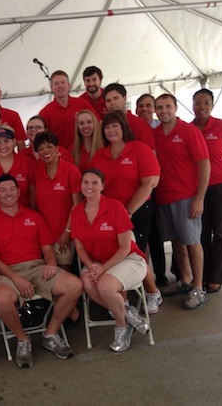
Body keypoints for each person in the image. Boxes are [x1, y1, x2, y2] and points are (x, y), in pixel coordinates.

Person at [0, 174, 82, 367]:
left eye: (12, 189)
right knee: (1, 299)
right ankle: (22, 339)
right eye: (3, 190)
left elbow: (46, 249)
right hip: (7, 272)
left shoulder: (33, 216)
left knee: (75, 285)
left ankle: (50, 334)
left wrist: (52, 263)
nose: (8, 193)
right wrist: (17, 279)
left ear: (19, 192)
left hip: (37, 267)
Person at [89, 110, 163, 314]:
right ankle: (123, 302)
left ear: (123, 128)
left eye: (115, 126)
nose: (111, 130)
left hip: (136, 210)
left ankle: (152, 292)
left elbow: (149, 183)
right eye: (107, 127)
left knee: (134, 253)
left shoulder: (139, 149)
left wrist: (127, 212)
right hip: (109, 214)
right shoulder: (100, 154)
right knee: (116, 255)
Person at [71, 169, 150, 352]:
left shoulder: (115, 207)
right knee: (87, 282)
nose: (89, 187)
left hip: (128, 260)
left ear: (102, 186)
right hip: (97, 262)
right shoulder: (76, 213)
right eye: (85, 183)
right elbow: (80, 248)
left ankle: (122, 326)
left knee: (105, 285)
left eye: (94, 183)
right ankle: (128, 314)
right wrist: (91, 265)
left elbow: (125, 247)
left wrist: (103, 268)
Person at [154, 93, 211, 310]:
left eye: (168, 106)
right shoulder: (155, 134)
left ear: (176, 108)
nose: (163, 110)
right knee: (177, 241)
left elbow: (205, 164)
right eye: (159, 107)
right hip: (164, 197)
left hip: (187, 197)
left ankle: (199, 288)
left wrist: (199, 198)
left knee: (192, 241)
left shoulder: (189, 132)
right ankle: (185, 280)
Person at [191, 88, 222, 293]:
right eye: (198, 103)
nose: (201, 107)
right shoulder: (189, 128)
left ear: (212, 105)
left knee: (220, 232)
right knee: (200, 233)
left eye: (205, 103)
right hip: (196, 188)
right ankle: (202, 275)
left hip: (221, 186)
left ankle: (218, 276)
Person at [30, 131, 81, 271]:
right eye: (40, 149)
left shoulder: (71, 170)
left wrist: (67, 231)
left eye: (49, 147)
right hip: (45, 237)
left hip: (64, 235)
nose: (45, 151)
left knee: (65, 273)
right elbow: (37, 206)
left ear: (57, 148)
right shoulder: (38, 174)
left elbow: (77, 204)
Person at [135, 94, 168, 285]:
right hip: (141, 186)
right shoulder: (136, 127)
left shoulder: (158, 128)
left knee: (156, 233)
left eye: (148, 105)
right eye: (141, 106)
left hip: (155, 185)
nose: (144, 109)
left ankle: (160, 274)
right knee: (144, 236)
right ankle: (142, 275)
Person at [39, 70, 98, 149]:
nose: (60, 86)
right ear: (51, 88)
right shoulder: (45, 112)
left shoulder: (83, 104)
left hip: (84, 153)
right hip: (60, 156)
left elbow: (98, 123)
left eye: (63, 82)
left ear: (69, 85)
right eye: (56, 83)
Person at [103, 83, 156, 151]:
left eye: (116, 98)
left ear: (125, 98)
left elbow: (151, 154)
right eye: (108, 100)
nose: (112, 103)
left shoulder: (139, 124)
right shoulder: (105, 125)